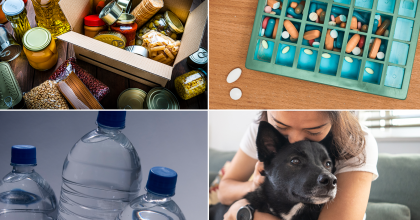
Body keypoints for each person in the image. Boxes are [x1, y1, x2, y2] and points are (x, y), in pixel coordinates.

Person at [219, 111, 378, 220]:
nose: (294, 141)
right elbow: (224, 190)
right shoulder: (265, 124)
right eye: (282, 127)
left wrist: (245, 212)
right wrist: (254, 186)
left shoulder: (356, 142)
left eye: (313, 132)